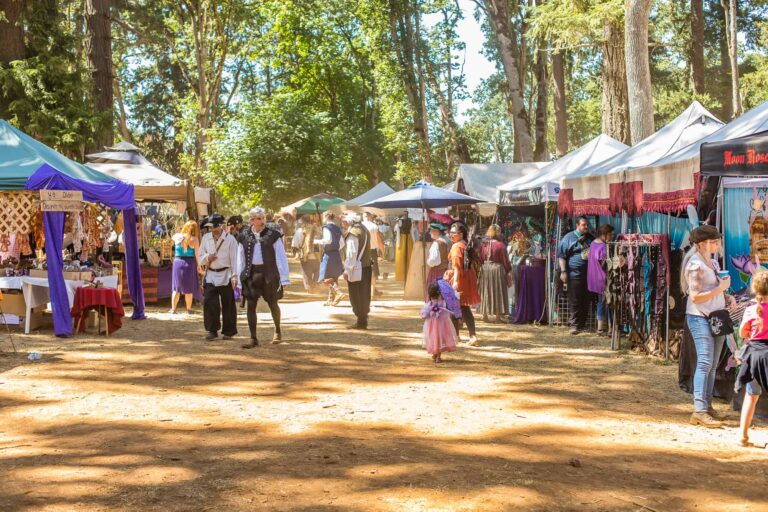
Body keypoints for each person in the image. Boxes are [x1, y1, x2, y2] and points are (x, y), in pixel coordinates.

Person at [682, 225, 735, 427]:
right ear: (704, 243)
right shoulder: (695, 264)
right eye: (715, 241)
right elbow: (695, 297)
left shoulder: (711, 262)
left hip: (714, 317)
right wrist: (721, 288)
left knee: (712, 365)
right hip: (699, 317)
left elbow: (711, 290)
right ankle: (699, 410)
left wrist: (726, 296)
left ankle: (706, 407)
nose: (718, 244)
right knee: (705, 363)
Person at [238, 207, 291, 348]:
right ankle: (253, 338)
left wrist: (284, 277)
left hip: (269, 273)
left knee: (273, 303)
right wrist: (238, 278)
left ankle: (278, 331)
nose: (261, 221)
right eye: (258, 218)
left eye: (262, 218)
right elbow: (240, 258)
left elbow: (281, 256)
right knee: (251, 306)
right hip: (251, 274)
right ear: (252, 220)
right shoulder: (243, 235)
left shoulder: (273, 234)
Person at [736, 270, 768, 447]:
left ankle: (743, 435)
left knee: (751, 395)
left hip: (753, 356)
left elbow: (742, 332)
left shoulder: (750, 310)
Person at [198, 213, 239, 341]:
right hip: (210, 274)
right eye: (210, 227)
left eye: (214, 227)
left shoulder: (230, 239)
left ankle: (229, 331)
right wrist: (207, 258)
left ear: (221, 226)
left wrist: (234, 275)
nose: (212, 229)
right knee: (210, 302)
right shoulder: (206, 238)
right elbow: (200, 257)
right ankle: (212, 330)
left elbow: (235, 259)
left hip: (226, 274)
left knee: (228, 304)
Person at [557, 216, 595, 335]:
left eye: (586, 225)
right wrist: (563, 272)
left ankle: (582, 325)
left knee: (586, 300)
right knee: (575, 300)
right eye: (583, 225)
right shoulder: (568, 238)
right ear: (577, 225)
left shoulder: (590, 238)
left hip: (588, 275)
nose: (586, 227)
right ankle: (574, 325)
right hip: (574, 274)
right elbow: (561, 256)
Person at [446, 222, 480, 346]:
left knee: (453, 307)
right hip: (466, 277)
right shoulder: (464, 244)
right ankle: (472, 335)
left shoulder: (456, 246)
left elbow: (456, 266)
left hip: (459, 278)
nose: (451, 235)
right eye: (450, 232)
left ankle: (456, 336)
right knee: (464, 308)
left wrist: (455, 281)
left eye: (453, 233)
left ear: (460, 234)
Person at [343, 213, 372, 329]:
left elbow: (351, 253)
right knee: (364, 294)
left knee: (356, 295)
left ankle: (361, 320)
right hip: (366, 267)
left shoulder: (353, 233)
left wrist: (347, 270)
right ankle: (363, 319)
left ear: (350, 222)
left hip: (356, 268)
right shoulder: (365, 230)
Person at [479, 224, 512, 323]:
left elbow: (480, 258)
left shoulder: (484, 244)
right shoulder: (501, 245)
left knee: (485, 291)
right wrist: (508, 270)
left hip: (485, 268)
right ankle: (497, 317)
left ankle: (485, 315)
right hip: (497, 269)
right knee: (498, 291)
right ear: (498, 232)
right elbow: (505, 260)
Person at [420, 283, 458, 363]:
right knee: (440, 340)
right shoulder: (444, 304)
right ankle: (438, 356)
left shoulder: (428, 305)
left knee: (434, 339)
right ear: (440, 293)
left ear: (429, 295)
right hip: (442, 326)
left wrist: (426, 314)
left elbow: (423, 315)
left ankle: (435, 354)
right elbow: (450, 310)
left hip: (431, 327)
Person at [588, 224, 615, 335]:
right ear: (604, 235)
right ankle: (608, 328)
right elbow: (606, 264)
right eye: (610, 234)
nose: (612, 236)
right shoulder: (604, 247)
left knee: (600, 302)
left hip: (593, 279)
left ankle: (601, 328)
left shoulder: (593, 243)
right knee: (608, 303)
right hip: (602, 279)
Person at [170, 220, 201, 315]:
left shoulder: (176, 236)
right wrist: (199, 265)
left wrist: (180, 231)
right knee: (189, 288)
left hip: (178, 262)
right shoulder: (195, 239)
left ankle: (173, 309)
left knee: (176, 287)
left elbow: (172, 238)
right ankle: (188, 309)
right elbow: (197, 255)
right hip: (190, 263)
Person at [316, 211, 346, 306]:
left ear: (326, 217)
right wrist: (335, 248)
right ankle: (331, 299)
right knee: (334, 277)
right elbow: (342, 243)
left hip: (329, 254)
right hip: (336, 254)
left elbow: (328, 240)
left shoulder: (326, 228)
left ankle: (338, 293)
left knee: (324, 278)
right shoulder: (337, 228)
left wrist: (316, 241)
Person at [294, 216, 321, 292]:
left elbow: (295, 243)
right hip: (316, 253)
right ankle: (315, 284)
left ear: (302, 221)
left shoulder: (300, 230)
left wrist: (296, 252)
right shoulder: (316, 228)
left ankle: (310, 287)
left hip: (305, 254)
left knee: (306, 272)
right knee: (316, 271)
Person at [362, 212, 385, 297]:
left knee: (363, 271)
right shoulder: (374, 226)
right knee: (373, 272)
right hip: (372, 251)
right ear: (370, 217)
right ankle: (372, 293)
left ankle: (366, 292)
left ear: (363, 217)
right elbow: (379, 241)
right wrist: (383, 252)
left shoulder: (359, 226)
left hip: (362, 252)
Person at [426, 223, 450, 288]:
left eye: (431, 231)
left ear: (436, 232)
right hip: (446, 271)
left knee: (435, 293)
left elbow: (433, 261)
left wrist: (428, 261)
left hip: (436, 273)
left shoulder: (436, 243)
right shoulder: (447, 240)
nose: (430, 232)